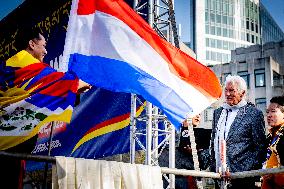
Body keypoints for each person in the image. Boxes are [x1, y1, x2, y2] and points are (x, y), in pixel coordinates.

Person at [0, 28, 91, 188]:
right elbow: (61, 83)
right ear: (32, 44)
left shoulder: (7, 66)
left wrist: (74, 87)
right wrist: (88, 81)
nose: (46, 51)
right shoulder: (31, 68)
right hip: (12, 146)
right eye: (43, 45)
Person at [209, 75, 266, 189]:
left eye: (232, 90)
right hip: (218, 176)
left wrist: (243, 171)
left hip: (241, 178)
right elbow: (213, 142)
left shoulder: (254, 114)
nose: (228, 94)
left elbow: (260, 148)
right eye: (226, 90)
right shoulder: (218, 113)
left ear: (242, 93)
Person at [159, 114, 211, 189]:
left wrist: (196, 153)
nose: (198, 116)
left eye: (200, 114)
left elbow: (205, 164)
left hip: (187, 180)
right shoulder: (167, 131)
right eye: (196, 113)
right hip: (165, 178)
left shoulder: (204, 136)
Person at [261, 96, 284, 189]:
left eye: (273, 111)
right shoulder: (269, 137)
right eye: (267, 112)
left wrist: (275, 175)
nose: (269, 115)